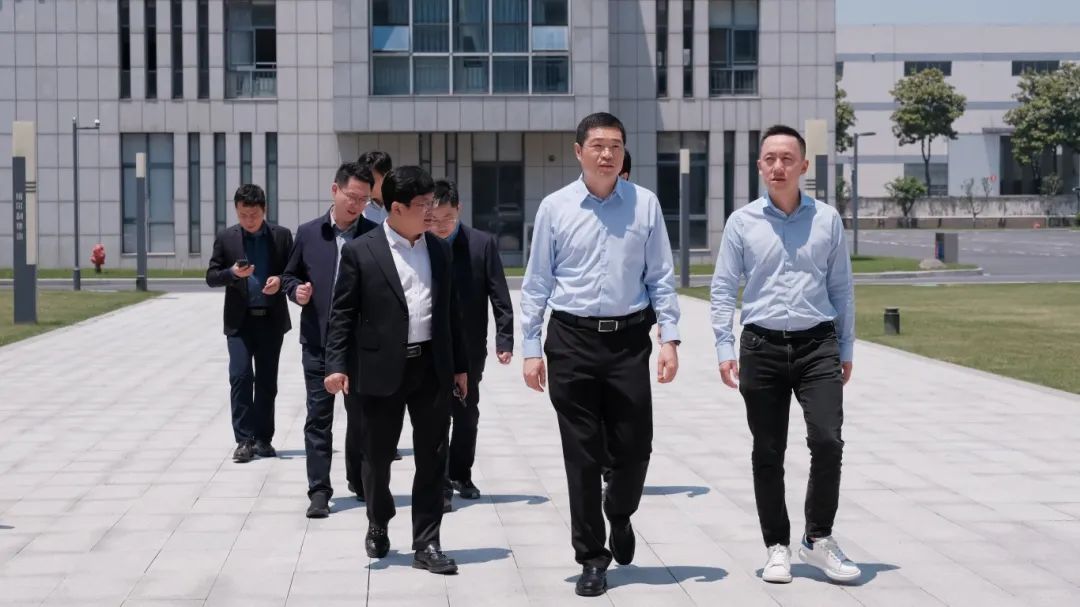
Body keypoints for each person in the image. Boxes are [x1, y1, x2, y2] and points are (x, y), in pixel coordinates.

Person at [520, 112, 681, 597]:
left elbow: (661, 277)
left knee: (635, 446)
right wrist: (531, 349)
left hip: (628, 341)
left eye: (615, 145)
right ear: (579, 152)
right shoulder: (555, 208)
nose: (607, 154)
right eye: (597, 145)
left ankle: (620, 511)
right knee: (583, 455)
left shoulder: (645, 204)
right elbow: (537, 282)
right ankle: (591, 557)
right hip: (571, 341)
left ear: (623, 152)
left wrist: (669, 339)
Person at [710, 124, 860, 585]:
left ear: (803, 166)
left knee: (828, 441)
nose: (778, 167)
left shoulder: (827, 220)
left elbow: (841, 288)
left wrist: (846, 345)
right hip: (762, 346)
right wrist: (724, 346)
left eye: (787, 159)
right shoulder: (741, 223)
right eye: (770, 159)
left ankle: (818, 538)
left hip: (818, 345)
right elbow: (723, 288)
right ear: (760, 166)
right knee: (768, 449)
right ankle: (777, 545)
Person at [324, 166, 468, 575]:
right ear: (397, 207)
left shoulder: (439, 250)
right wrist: (336, 365)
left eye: (432, 203)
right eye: (423, 205)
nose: (431, 212)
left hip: (431, 367)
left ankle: (427, 542)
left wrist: (460, 367)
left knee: (433, 456)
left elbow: (451, 313)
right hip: (378, 369)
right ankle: (378, 519)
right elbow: (342, 314)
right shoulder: (361, 251)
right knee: (376, 456)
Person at [282, 162, 379, 518]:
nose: (357, 205)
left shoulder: (374, 235)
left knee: (362, 419)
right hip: (318, 342)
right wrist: (296, 291)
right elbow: (289, 275)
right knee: (318, 418)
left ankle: (360, 480)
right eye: (352, 196)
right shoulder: (309, 233)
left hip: (360, 346)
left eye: (364, 200)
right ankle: (319, 491)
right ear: (334, 190)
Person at [428, 179, 514, 512]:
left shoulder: (481, 244)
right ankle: (439, 483)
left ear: (459, 210)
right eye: (434, 219)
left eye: (447, 218)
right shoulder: (419, 243)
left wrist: (504, 339)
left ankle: (461, 474)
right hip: (430, 345)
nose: (440, 225)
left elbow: (500, 295)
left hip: (469, 346)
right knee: (436, 415)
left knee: (466, 414)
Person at [206, 184, 293, 464]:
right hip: (239, 323)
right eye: (243, 215)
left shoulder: (281, 236)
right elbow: (211, 276)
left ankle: (264, 439)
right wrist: (232, 273)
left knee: (267, 381)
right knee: (240, 377)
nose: (249, 220)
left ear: (264, 210)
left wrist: (280, 281)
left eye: (254, 214)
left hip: (271, 320)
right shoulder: (226, 238)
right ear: (236, 211)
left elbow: (294, 272)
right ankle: (244, 440)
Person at [358, 150, 392, 225]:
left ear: (386, 176)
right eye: (363, 179)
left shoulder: (404, 207)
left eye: (371, 179)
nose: (366, 184)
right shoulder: (360, 212)